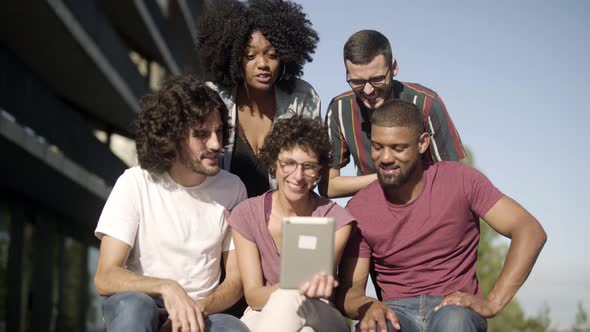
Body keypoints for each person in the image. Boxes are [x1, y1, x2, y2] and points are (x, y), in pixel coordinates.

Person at [336, 99, 547, 332]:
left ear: (423, 143)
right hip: (396, 311)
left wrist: (492, 302)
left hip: (453, 307)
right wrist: (367, 305)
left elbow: (529, 230)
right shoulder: (359, 207)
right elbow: (350, 289)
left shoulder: (462, 181)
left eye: (398, 148)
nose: (385, 158)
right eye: (378, 147)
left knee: (454, 322)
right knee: (376, 327)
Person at [93, 76, 249, 332]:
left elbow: (235, 280)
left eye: (219, 131)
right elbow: (105, 276)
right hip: (143, 302)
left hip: (201, 311)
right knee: (135, 307)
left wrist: (192, 310)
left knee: (234, 329)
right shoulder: (135, 182)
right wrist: (168, 287)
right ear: (172, 135)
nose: (216, 144)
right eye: (201, 134)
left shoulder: (233, 189)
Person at [228, 116, 353, 332]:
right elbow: (254, 297)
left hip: (321, 313)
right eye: (289, 163)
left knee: (290, 298)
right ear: (274, 162)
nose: (297, 176)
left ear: (319, 171)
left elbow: (320, 291)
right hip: (264, 311)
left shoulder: (336, 220)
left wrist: (292, 291)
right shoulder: (247, 214)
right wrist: (289, 290)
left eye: (309, 167)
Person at [197, 0, 320, 198]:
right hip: (222, 214)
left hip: (280, 217)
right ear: (235, 57)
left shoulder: (302, 98)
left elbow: (311, 167)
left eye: (272, 55)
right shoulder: (213, 98)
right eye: (250, 55)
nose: (262, 63)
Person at [321, 30, 465, 198]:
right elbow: (328, 186)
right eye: (357, 82)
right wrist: (386, 177)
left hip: (427, 204)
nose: (368, 90)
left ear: (394, 67)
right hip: (373, 205)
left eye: (377, 79)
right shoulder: (339, 109)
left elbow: (453, 178)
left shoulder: (426, 104)